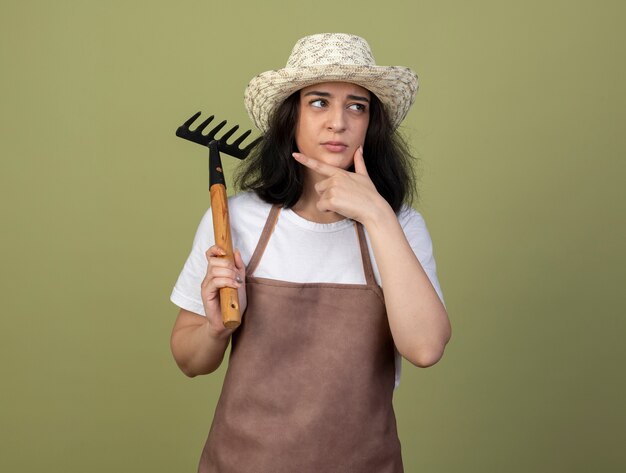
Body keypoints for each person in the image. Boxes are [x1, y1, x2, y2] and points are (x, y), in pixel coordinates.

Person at [170, 33, 451, 473]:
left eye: (356, 106)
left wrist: (377, 216)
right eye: (319, 102)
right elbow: (189, 361)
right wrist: (215, 329)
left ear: (370, 124)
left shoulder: (400, 227)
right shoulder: (237, 221)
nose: (338, 122)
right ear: (291, 118)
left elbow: (426, 347)